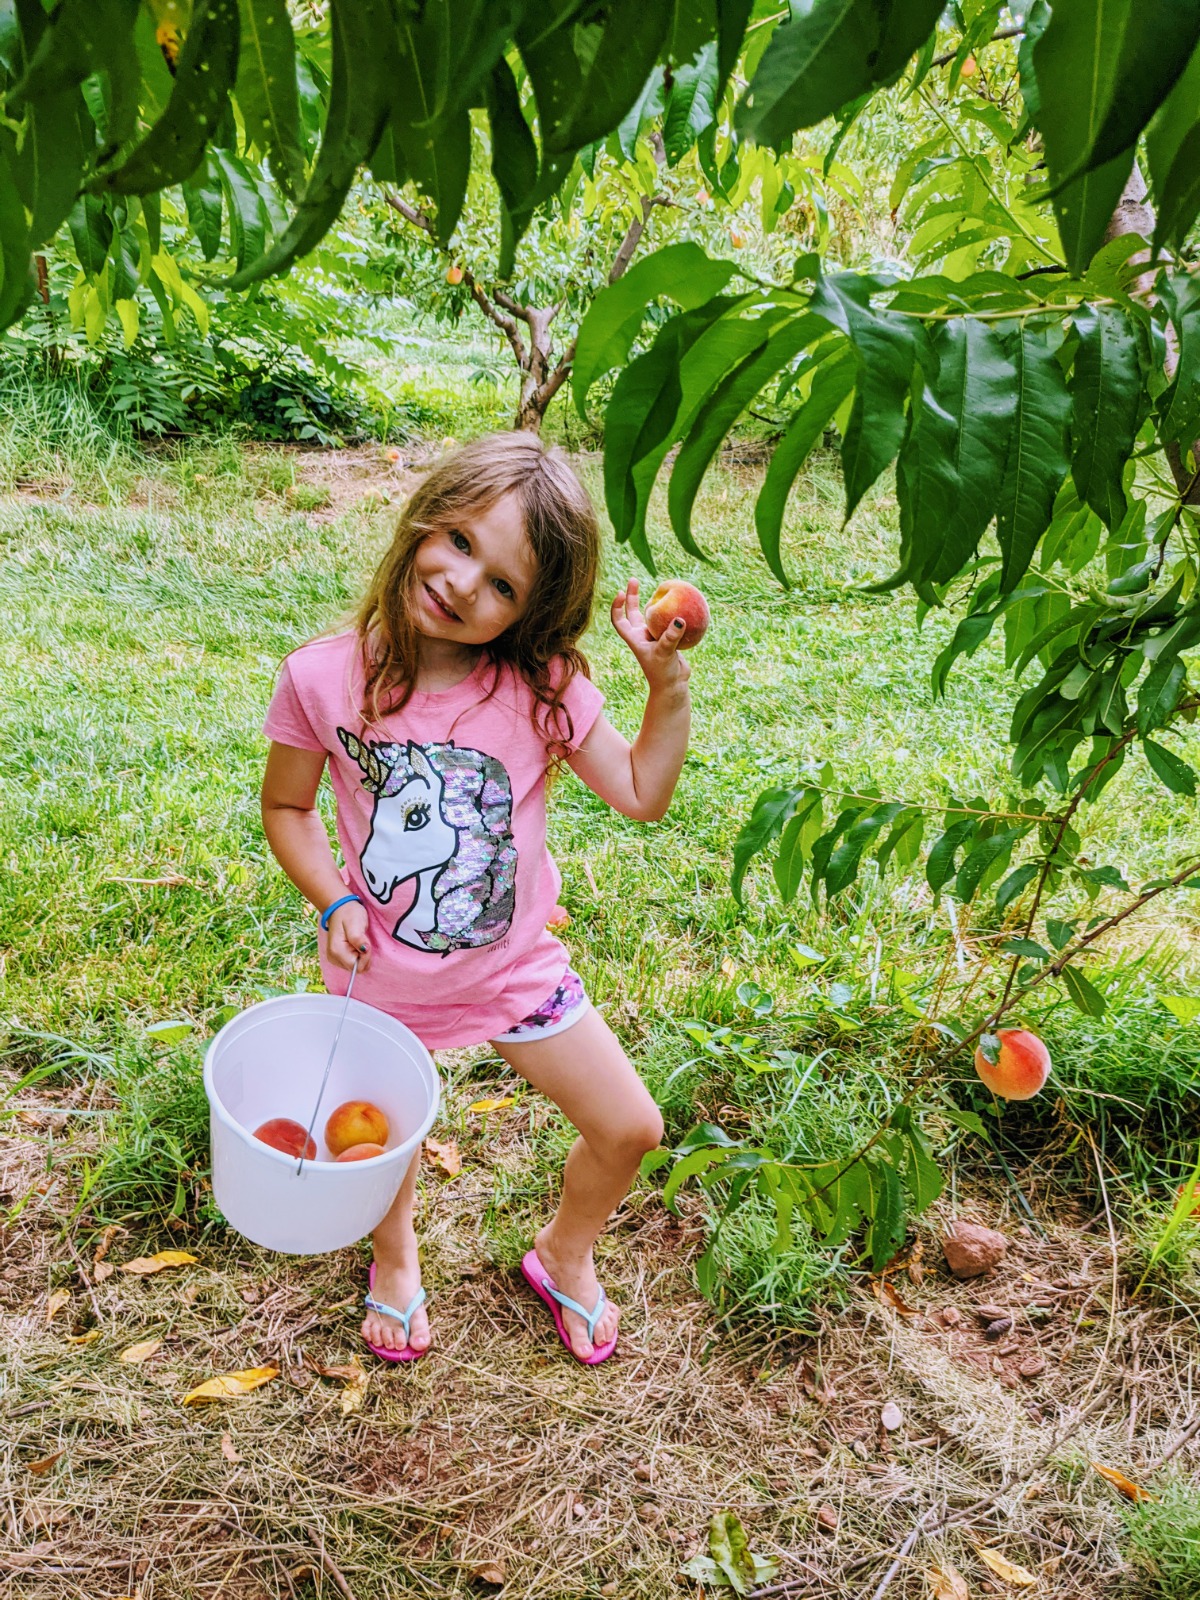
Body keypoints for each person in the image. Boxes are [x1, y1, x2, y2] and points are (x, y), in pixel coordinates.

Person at [260, 432, 693, 1365]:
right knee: (384, 1143)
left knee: (631, 1128)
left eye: (502, 585)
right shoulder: (321, 676)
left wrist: (667, 687)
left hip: (515, 973)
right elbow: (287, 806)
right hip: (384, 981)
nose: (463, 585)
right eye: (458, 543)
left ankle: (562, 1255)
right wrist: (334, 901)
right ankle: (396, 1256)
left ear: (531, 611)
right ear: (424, 519)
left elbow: (642, 795)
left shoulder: (544, 688)